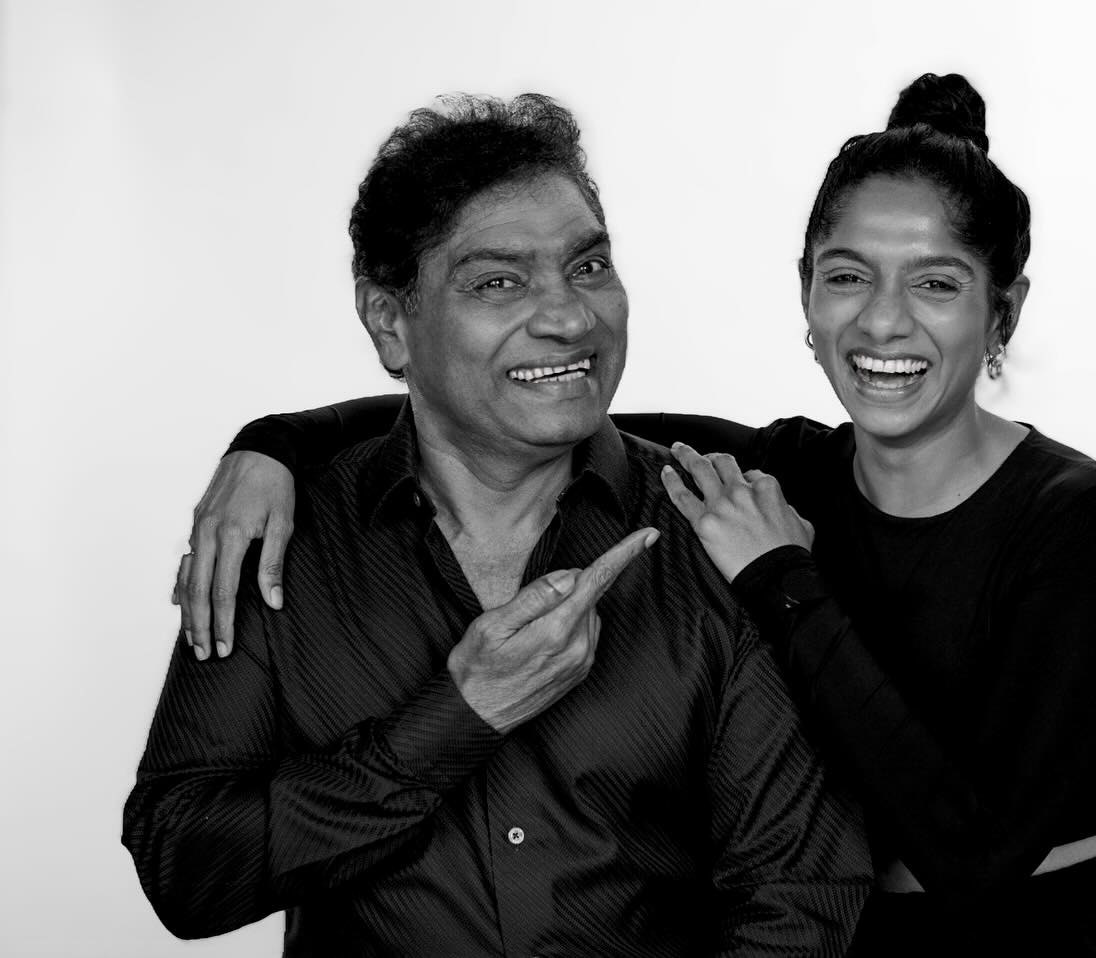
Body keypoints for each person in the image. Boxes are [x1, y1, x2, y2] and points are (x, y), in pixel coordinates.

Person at [174, 75, 1096, 955]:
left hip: (1073, 922)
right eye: (848, 276)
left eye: (937, 284)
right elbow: (516, 400)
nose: (883, 321)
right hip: (876, 937)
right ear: (806, 296)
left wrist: (784, 581)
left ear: (1003, 311)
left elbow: (977, 853)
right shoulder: (777, 473)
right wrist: (272, 444)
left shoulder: (1089, 520)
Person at [123, 92, 871, 956]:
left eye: (589, 267)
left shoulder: (720, 535)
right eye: (498, 282)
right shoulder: (282, 543)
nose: (570, 318)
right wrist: (456, 718)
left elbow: (800, 899)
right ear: (389, 323)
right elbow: (184, 869)